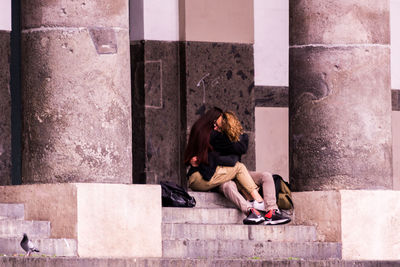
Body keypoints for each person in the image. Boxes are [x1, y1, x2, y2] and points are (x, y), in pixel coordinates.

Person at [184, 107, 266, 224]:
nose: (218, 127)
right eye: (218, 123)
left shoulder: (201, 131)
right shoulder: (212, 135)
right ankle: (258, 201)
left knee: (229, 184)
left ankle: (251, 211)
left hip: (201, 176)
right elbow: (238, 149)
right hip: (200, 177)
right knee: (239, 167)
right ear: (213, 120)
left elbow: (193, 157)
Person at [216, 111, 291, 225]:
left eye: (217, 124)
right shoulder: (213, 138)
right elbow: (218, 159)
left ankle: (272, 211)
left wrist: (229, 138)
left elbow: (240, 150)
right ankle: (251, 212)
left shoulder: (238, 138)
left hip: (240, 173)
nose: (215, 127)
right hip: (222, 176)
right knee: (228, 186)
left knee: (266, 175)